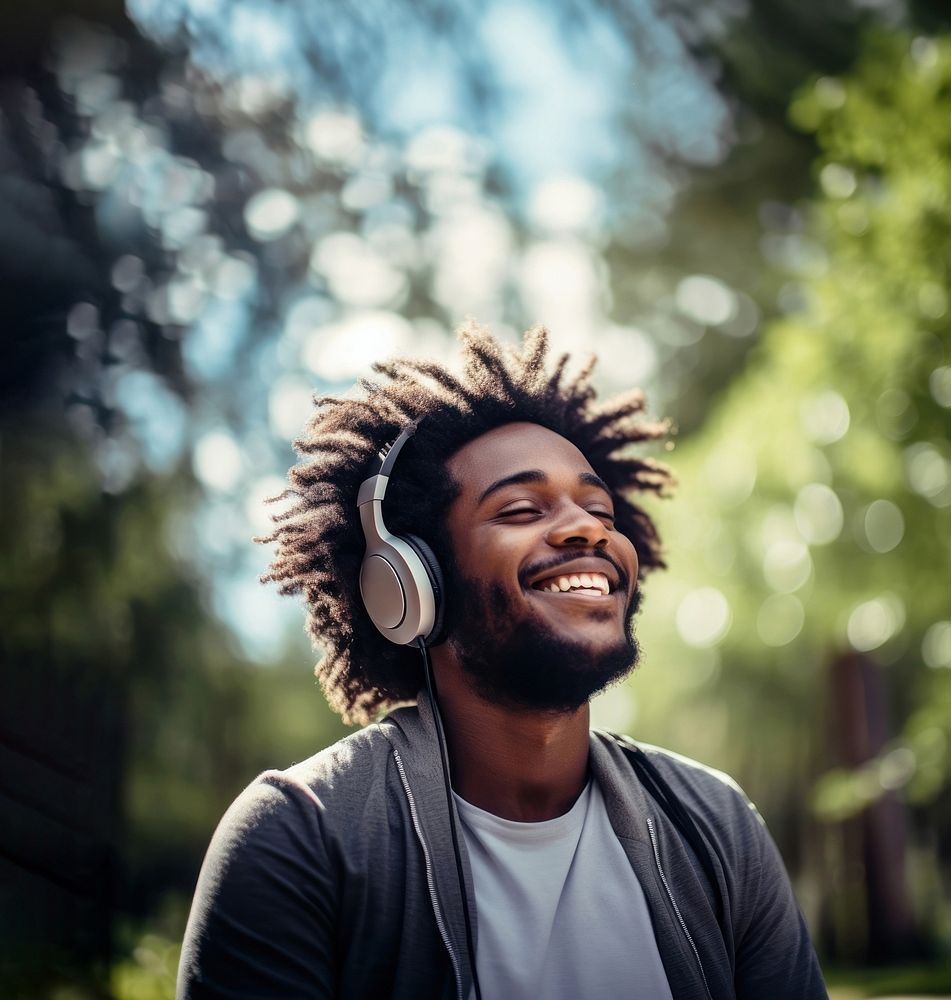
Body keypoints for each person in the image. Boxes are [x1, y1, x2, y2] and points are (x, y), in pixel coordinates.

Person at [177, 324, 827, 999]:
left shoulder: (714, 824)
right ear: (409, 585)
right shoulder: (302, 837)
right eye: (520, 508)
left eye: (599, 509)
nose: (589, 530)